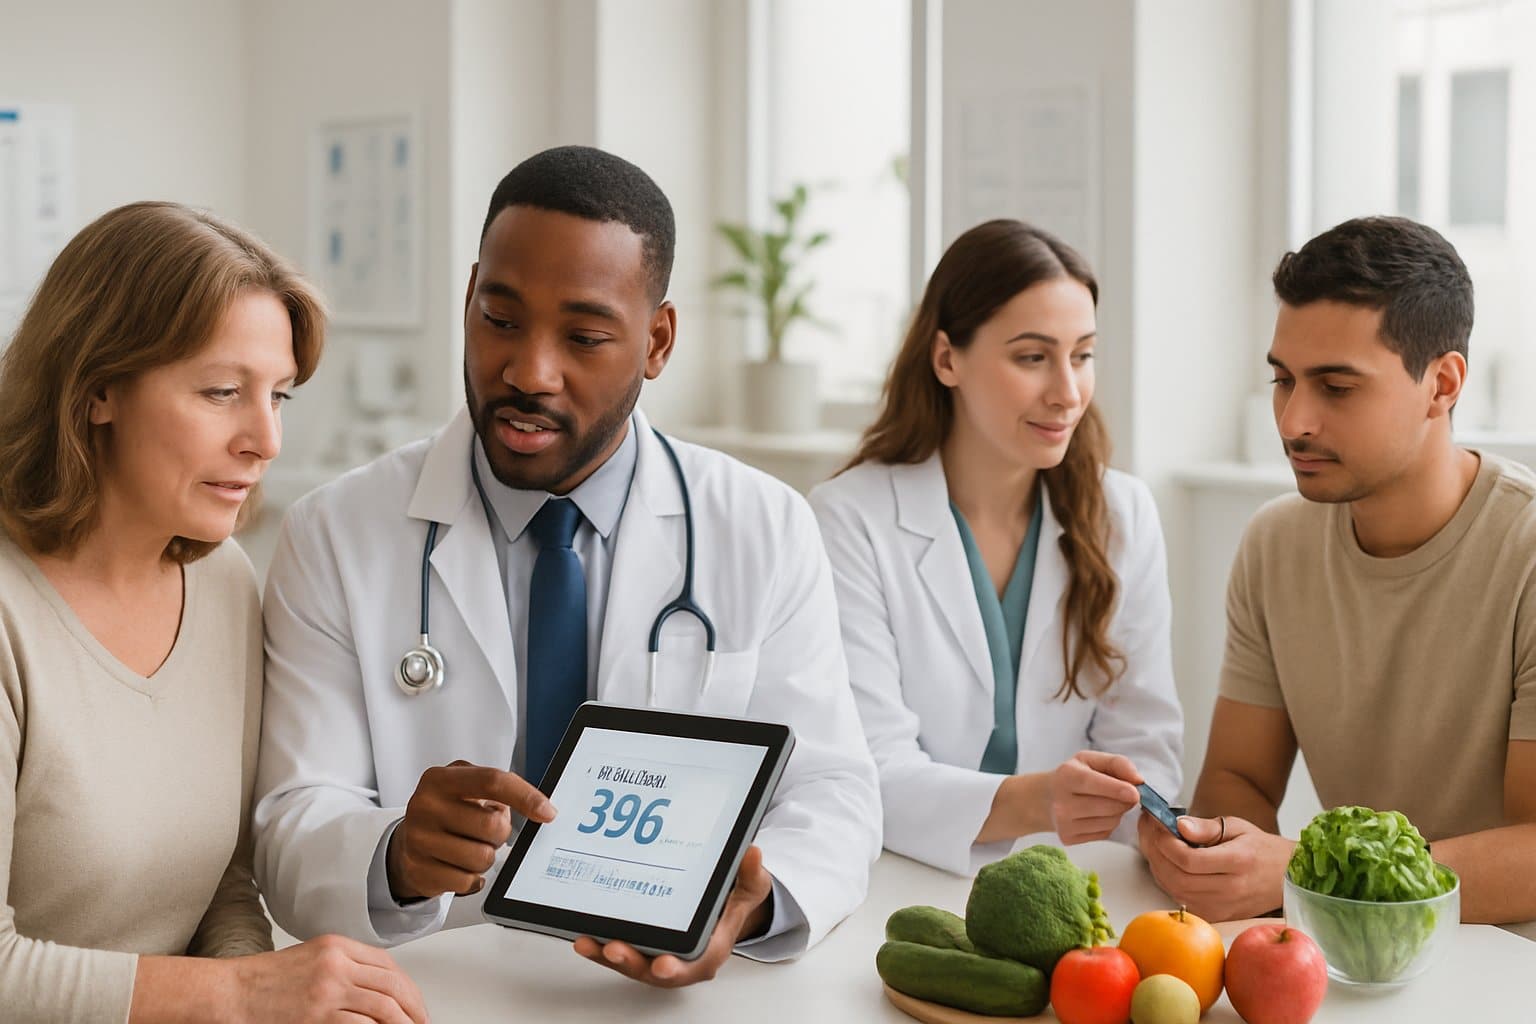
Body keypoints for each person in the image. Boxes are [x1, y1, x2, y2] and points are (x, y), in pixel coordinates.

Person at [252, 145, 882, 986]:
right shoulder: (334, 532)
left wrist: (752, 904)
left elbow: (833, 788)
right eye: (499, 318)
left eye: (583, 336)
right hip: (437, 988)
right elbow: (291, 818)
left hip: (663, 1000)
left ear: (656, 342)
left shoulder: (764, 527)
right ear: (469, 295)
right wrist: (396, 855)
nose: (527, 371)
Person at [0, 202, 427, 1023]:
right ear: (97, 393)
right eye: (223, 392)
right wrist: (239, 995)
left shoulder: (226, 581)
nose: (264, 440)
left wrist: (273, 1003)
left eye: (280, 397)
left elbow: (224, 884)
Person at [1138, 216, 1536, 938]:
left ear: (1441, 384)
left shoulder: (1529, 553)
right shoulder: (1275, 543)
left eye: (1336, 387)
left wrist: (1304, 875)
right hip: (1348, 958)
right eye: (1283, 380)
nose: (1294, 420)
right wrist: (1217, 856)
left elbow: (1534, 853)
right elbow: (1240, 780)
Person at [809, 219, 1183, 876]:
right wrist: (1041, 801)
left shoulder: (1122, 513)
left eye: (1083, 355)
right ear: (947, 357)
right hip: (900, 877)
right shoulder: (850, 520)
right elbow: (870, 767)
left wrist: (1158, 830)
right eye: (1032, 357)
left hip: (1077, 879)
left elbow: (1145, 744)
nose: (1067, 392)